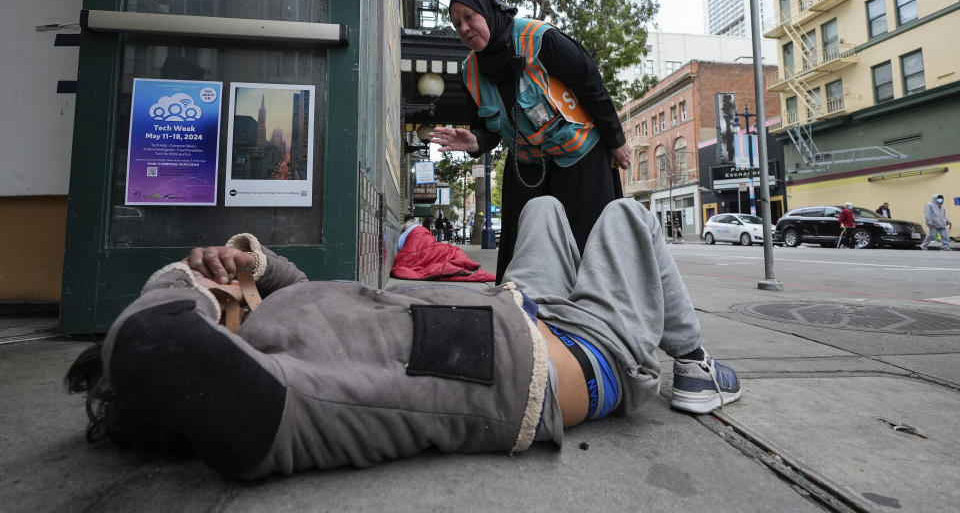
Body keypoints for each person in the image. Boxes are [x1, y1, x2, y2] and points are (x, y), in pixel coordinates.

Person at [65, 197, 740, 479]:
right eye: (206, 285)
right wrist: (177, 280)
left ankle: (661, 335)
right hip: (585, 354)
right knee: (628, 215)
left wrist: (253, 265)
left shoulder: (270, 322)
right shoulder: (281, 400)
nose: (213, 270)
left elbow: (306, 291)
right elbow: (155, 348)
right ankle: (694, 363)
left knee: (541, 206)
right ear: (202, 318)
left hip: (524, 307)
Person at [430, 0, 630, 282]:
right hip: (527, 162)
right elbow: (487, 131)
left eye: (469, 17)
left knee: (587, 242)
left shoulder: (539, 38)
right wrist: (474, 142)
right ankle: (522, 308)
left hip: (579, 152)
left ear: (490, 13)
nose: (464, 28)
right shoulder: (470, 72)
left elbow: (589, 81)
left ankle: (593, 305)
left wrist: (616, 140)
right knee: (522, 244)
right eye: (457, 24)